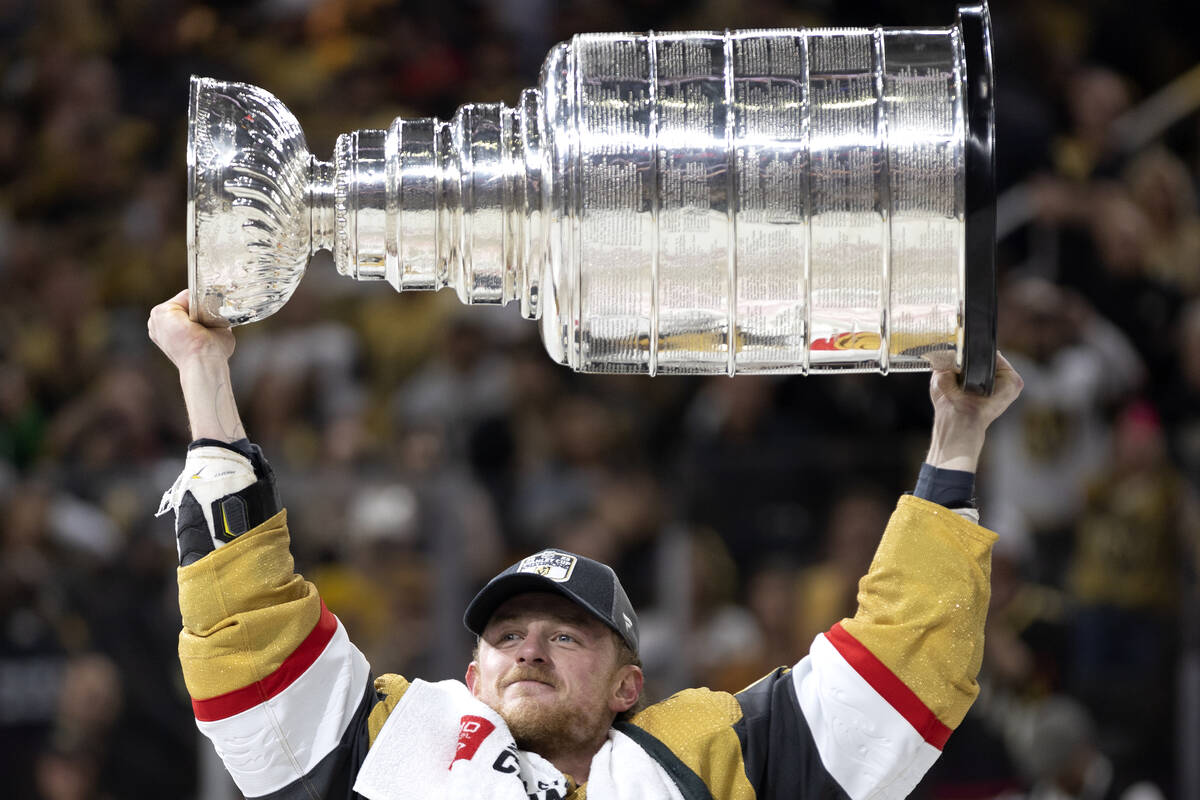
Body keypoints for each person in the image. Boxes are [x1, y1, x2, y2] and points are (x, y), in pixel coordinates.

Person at [148, 289, 1023, 800]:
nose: (529, 647)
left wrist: (956, 435)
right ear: (473, 675)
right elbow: (248, 646)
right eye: (507, 636)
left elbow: (899, 675)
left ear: (627, 687)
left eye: (568, 636)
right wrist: (203, 375)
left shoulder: (701, 760)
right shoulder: (404, 738)